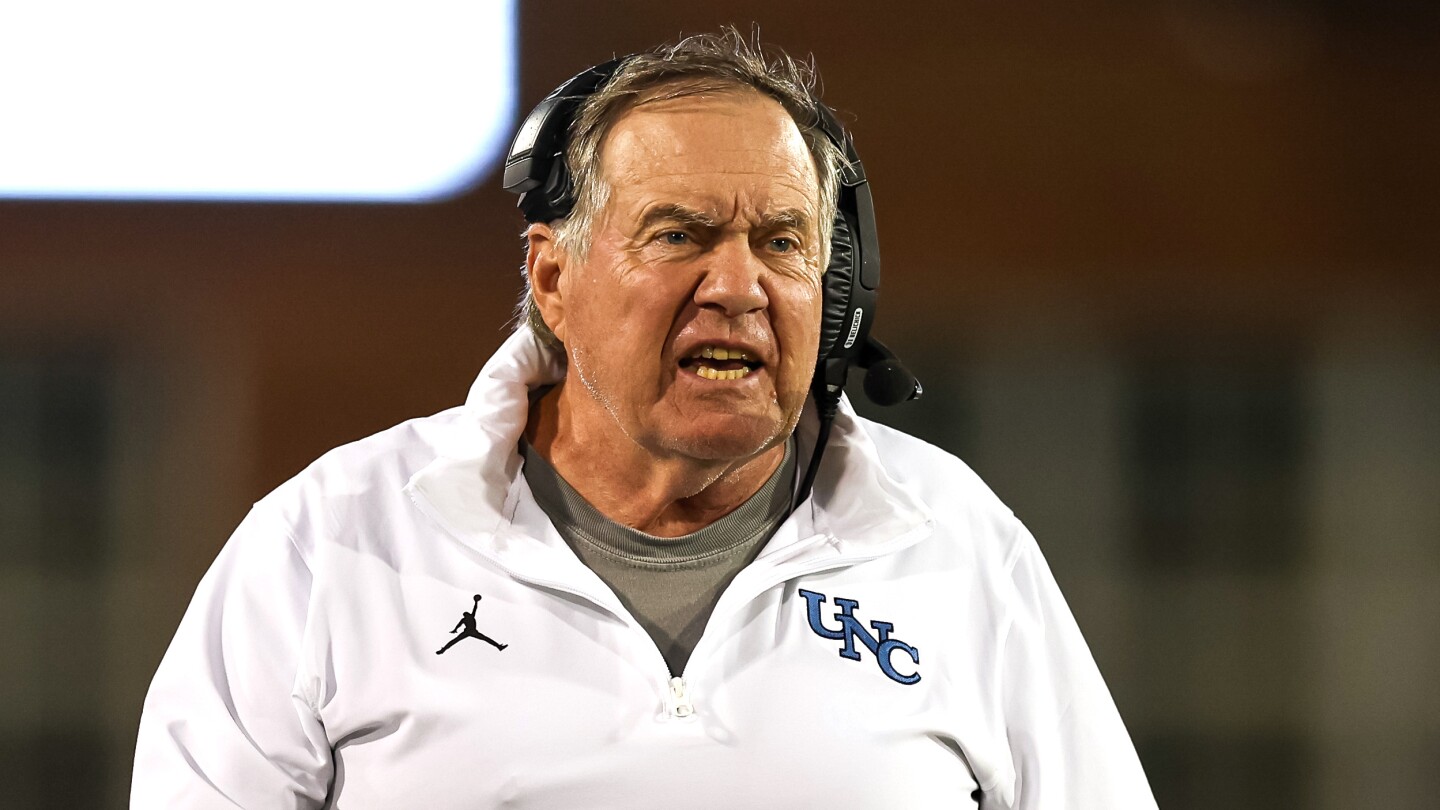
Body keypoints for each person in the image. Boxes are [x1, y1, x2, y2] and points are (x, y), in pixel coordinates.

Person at [131, 29, 1157, 809]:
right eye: (681, 235)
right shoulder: (327, 544)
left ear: (836, 290)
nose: (739, 287)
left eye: (783, 242)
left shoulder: (956, 544)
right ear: (553, 280)